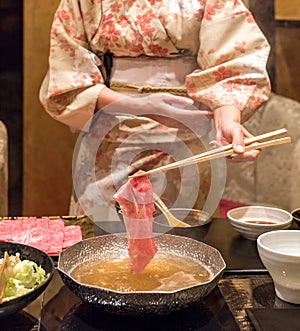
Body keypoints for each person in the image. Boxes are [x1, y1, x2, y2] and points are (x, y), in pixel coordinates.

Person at [40, 0, 270, 221]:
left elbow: (232, 68)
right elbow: (68, 78)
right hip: (111, 140)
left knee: (185, 245)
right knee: (104, 244)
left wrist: (227, 122)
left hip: (189, 141)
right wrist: (139, 107)